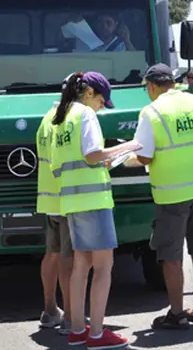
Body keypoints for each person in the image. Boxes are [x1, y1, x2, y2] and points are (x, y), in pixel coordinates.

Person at [49, 71, 142, 348]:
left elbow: (64, 163)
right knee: (103, 267)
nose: (102, 106)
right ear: (89, 92)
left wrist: (103, 160)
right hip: (93, 201)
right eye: (102, 100)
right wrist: (126, 147)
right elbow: (91, 155)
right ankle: (98, 334)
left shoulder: (61, 118)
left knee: (81, 266)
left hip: (71, 201)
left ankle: (78, 330)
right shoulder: (85, 115)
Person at [132, 63, 193, 329]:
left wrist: (125, 157)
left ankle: (177, 313)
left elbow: (144, 156)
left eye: (146, 88)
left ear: (152, 86)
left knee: (171, 255)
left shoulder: (152, 112)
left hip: (172, 195)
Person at [36, 97, 73, 334]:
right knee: (70, 260)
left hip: (50, 198)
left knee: (52, 254)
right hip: (69, 197)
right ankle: (70, 317)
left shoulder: (46, 118)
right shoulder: (69, 119)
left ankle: (50, 310)